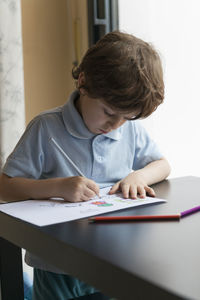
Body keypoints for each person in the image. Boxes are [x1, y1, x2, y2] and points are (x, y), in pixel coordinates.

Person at [0, 31, 171, 300]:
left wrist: (139, 177)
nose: (115, 125)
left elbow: (162, 165)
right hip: (57, 264)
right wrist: (57, 186)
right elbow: (5, 188)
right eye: (109, 113)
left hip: (115, 259)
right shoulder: (46, 128)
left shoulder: (129, 131)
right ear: (83, 82)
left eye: (126, 118)